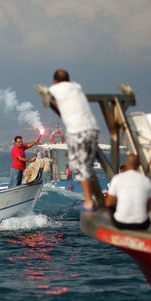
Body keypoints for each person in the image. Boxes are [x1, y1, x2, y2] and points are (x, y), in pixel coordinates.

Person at [43, 69, 100, 210]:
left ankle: (88, 201)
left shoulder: (55, 88)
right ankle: (96, 197)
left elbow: (49, 101)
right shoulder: (77, 87)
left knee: (78, 166)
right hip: (93, 127)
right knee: (88, 163)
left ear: (55, 80)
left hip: (77, 129)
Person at [105, 154, 151, 230]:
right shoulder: (147, 181)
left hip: (120, 223)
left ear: (126, 164)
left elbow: (109, 203)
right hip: (141, 224)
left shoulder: (117, 179)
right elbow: (149, 207)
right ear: (139, 165)